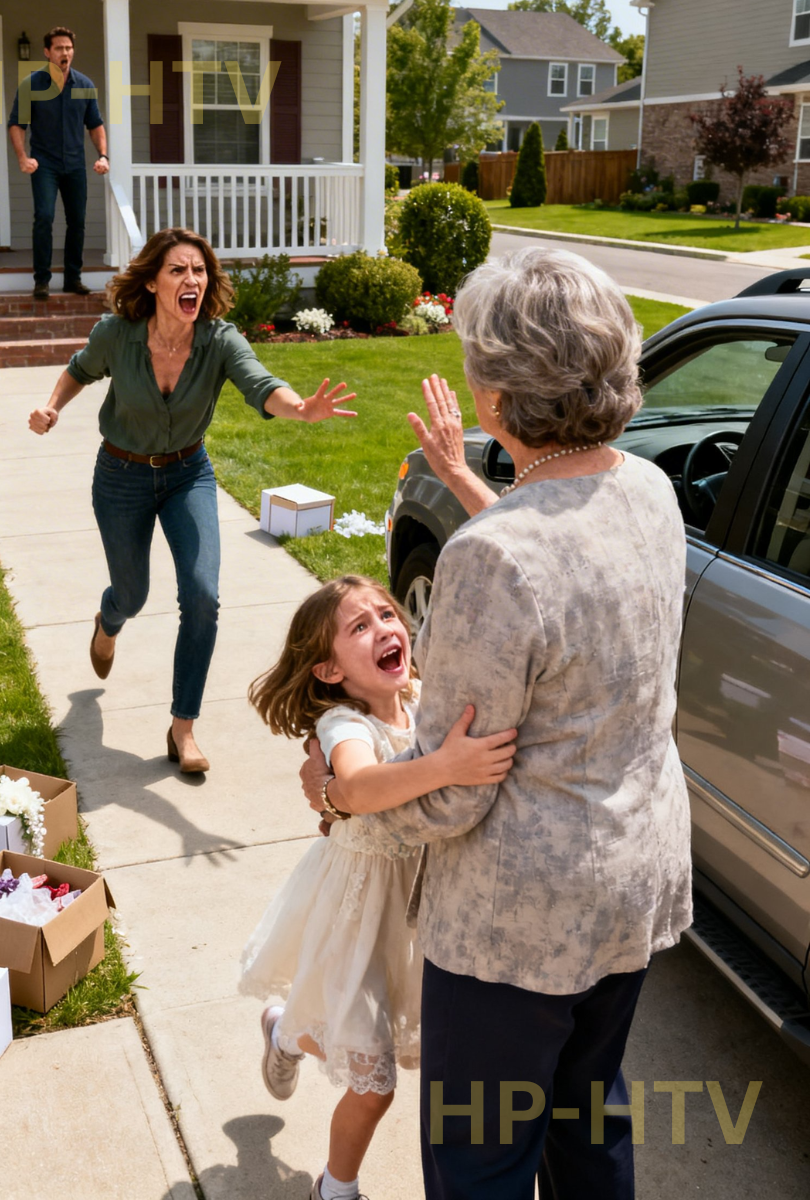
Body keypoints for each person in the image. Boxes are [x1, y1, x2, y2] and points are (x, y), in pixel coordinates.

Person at [302, 248, 693, 1199]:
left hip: (518, 926)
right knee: (587, 1125)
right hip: (632, 880)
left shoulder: (491, 558)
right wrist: (467, 481)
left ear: (495, 395)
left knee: (481, 1160)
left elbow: (449, 787)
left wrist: (343, 799)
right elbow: (558, 554)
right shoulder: (649, 489)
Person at [28, 226, 358, 775]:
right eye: (178, 270)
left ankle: (183, 728)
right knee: (132, 594)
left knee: (203, 596)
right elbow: (79, 369)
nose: (192, 280)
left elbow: (260, 383)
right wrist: (51, 407)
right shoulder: (118, 333)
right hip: (120, 475)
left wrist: (300, 409)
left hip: (188, 474)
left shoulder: (220, 340)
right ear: (155, 282)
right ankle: (109, 622)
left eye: (199, 271)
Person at [241, 575, 516, 1200]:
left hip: (419, 912)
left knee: (376, 1039)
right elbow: (358, 788)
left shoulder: (422, 698)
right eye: (358, 628)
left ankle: (284, 1030)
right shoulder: (344, 724)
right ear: (330, 671)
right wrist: (445, 766)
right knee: (375, 1082)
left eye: (386, 615)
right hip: (356, 908)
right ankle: (335, 1190)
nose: (385, 629)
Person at [8, 26, 108, 300]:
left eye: (69, 48)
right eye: (60, 48)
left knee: (77, 221)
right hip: (44, 165)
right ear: (47, 52)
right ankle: (42, 280)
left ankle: (72, 279)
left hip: (75, 164)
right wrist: (22, 157)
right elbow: (17, 124)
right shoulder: (32, 84)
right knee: (44, 217)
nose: (65, 52)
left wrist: (102, 155)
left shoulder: (84, 85)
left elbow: (95, 125)